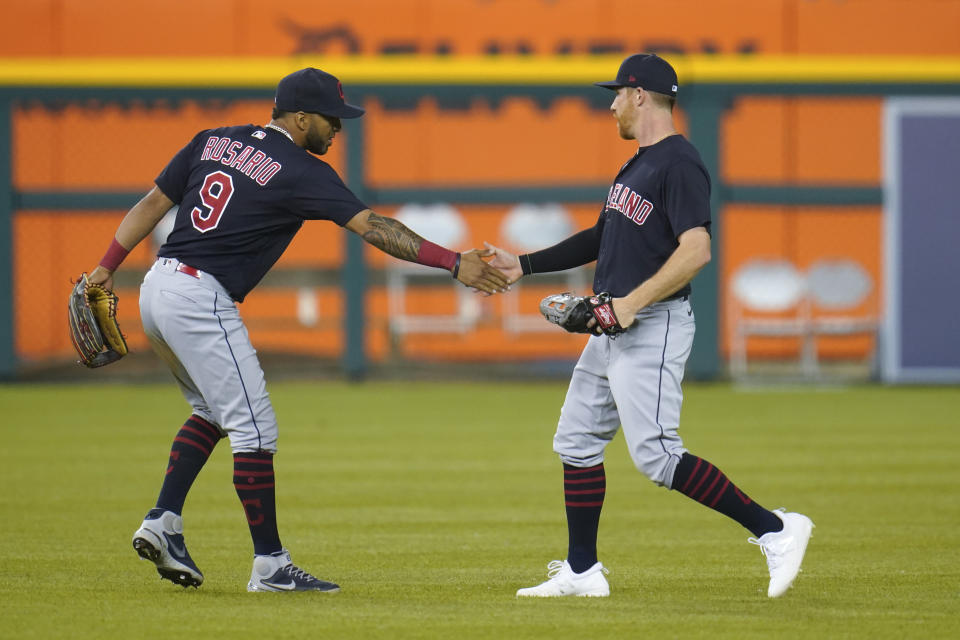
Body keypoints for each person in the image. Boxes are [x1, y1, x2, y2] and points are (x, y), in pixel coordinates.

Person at [85, 67, 510, 592]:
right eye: (331, 119)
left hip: (158, 287)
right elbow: (375, 228)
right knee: (255, 430)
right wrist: (453, 262)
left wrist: (106, 265)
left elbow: (152, 204)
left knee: (211, 412)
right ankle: (270, 566)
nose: (338, 129)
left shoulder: (214, 138)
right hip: (200, 298)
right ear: (302, 117)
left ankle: (163, 521)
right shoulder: (301, 170)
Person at [485, 54, 813, 598]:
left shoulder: (677, 162)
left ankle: (777, 529)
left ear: (640, 95)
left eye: (616, 93)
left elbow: (698, 249)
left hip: (651, 323)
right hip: (614, 324)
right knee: (576, 440)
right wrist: (523, 265)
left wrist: (630, 304)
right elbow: (602, 237)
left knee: (658, 455)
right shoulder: (638, 165)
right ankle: (582, 571)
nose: (611, 103)